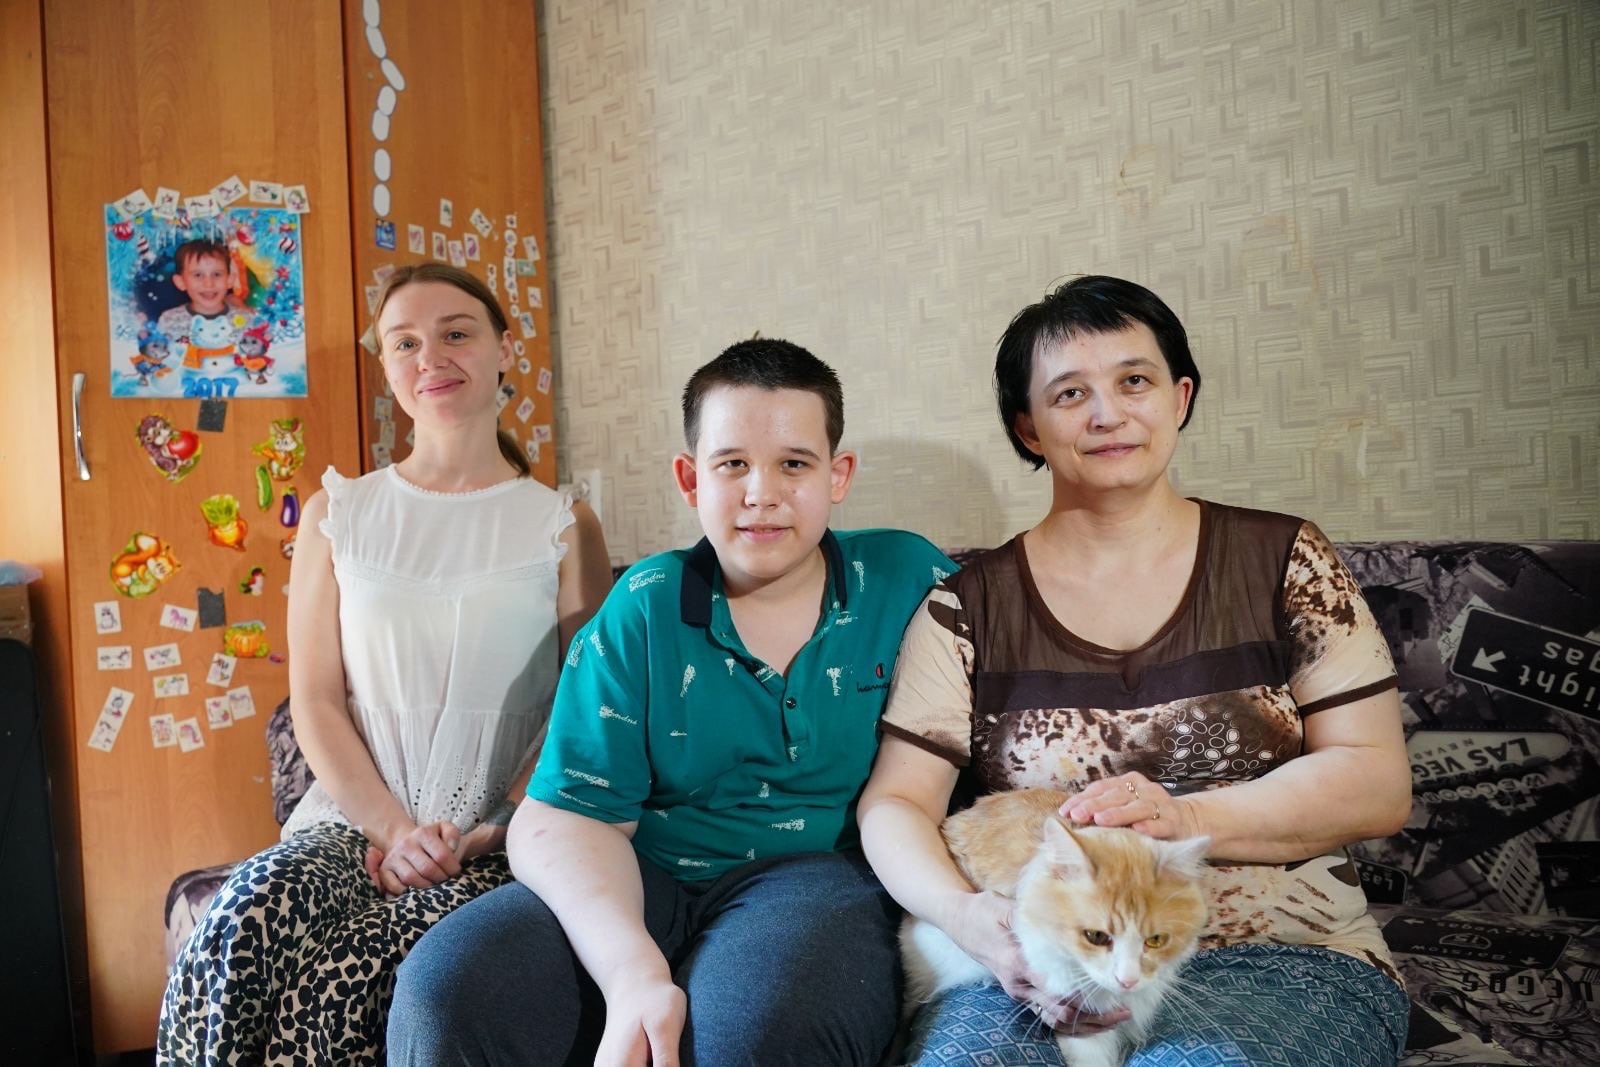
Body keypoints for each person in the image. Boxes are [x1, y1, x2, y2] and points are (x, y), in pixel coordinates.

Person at [857, 275, 1413, 1066]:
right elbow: (897, 803)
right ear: (1028, 427)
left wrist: (1184, 818)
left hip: (1283, 951)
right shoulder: (966, 607)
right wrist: (966, 918)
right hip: (1032, 959)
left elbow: (1377, 781)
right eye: (1070, 393)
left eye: (1134, 381)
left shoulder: (1285, 560)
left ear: (1179, 398)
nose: (1107, 413)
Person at [388, 339, 955, 1066]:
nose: (761, 493)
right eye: (732, 464)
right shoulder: (647, 604)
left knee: (756, 1034)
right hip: (644, 873)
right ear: (690, 479)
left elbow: (1013, 697)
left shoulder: (909, 578)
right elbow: (567, 815)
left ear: (837, 474)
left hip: (818, 875)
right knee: (445, 989)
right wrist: (632, 973)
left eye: (793, 464)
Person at [157, 263, 612, 1064]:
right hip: (353, 821)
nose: (430, 357)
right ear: (388, 365)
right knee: (237, 922)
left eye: (456, 333)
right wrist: (395, 832)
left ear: (505, 350)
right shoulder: (339, 514)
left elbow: (587, 710)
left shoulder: (564, 524)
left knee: (341, 985)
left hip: (497, 837)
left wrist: (486, 830)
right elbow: (315, 700)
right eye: (405, 342)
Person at [156, 239, 249, 373]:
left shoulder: (246, 320)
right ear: (180, 282)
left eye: (216, 274)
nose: (208, 284)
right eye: (198, 275)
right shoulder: (169, 320)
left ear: (230, 280)